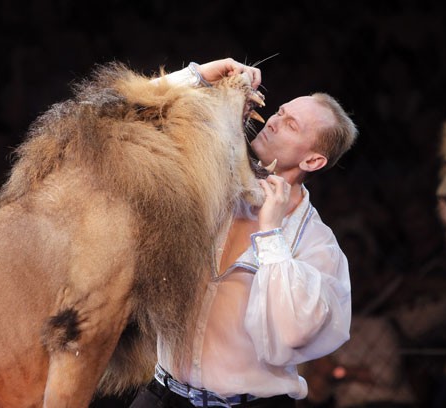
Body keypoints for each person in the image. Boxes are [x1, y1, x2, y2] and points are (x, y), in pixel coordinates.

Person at [129, 58, 358, 408]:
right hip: (164, 396)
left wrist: (271, 235)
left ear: (312, 161)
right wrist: (199, 76)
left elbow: (291, 332)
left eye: (291, 125)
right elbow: (130, 111)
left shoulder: (317, 243)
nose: (276, 122)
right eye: (280, 112)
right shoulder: (210, 188)